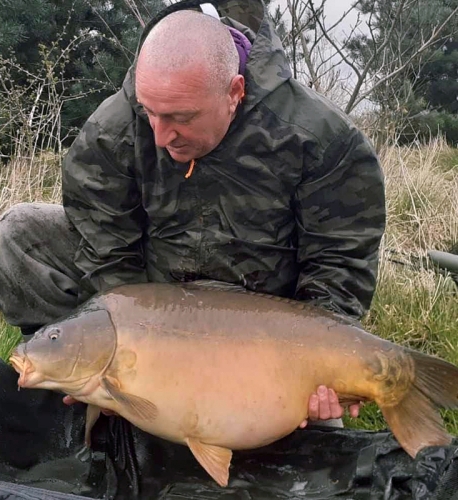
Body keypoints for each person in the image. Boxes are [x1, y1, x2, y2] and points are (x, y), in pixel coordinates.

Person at [0, 0, 385, 435]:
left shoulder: (320, 138)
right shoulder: (111, 132)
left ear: (234, 92)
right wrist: (122, 361)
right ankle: (72, 375)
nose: (161, 137)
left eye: (181, 118)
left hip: (263, 313)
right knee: (19, 232)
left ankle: (268, 404)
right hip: (154, 290)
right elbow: (109, 259)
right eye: (150, 112)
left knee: (312, 417)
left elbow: (339, 265)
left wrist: (316, 367)